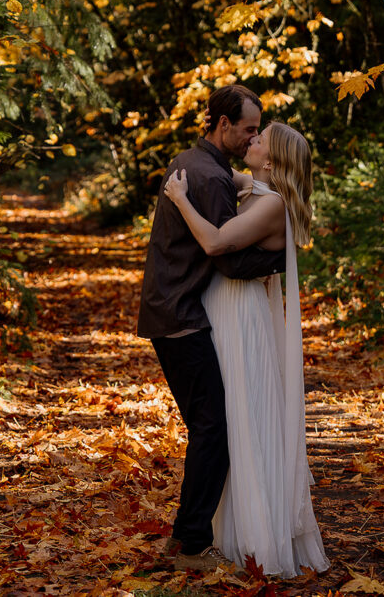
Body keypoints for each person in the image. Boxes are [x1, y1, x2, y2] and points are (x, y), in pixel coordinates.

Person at [163, 121, 330, 577]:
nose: (251, 141)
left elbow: (216, 242)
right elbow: (223, 171)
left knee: (242, 420)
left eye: (260, 140)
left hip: (242, 317)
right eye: (253, 134)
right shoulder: (257, 188)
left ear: (273, 161)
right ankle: (214, 533)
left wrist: (179, 200)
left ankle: (256, 539)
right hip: (223, 310)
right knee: (227, 420)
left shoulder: (272, 204)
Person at [137, 85, 286, 571]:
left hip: (171, 310)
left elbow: (242, 184)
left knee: (209, 426)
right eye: (247, 130)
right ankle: (190, 540)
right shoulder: (210, 177)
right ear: (223, 125)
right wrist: (278, 258)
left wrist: (258, 183)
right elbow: (226, 260)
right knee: (213, 427)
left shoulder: (197, 164)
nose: (251, 138)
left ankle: (191, 536)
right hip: (180, 316)